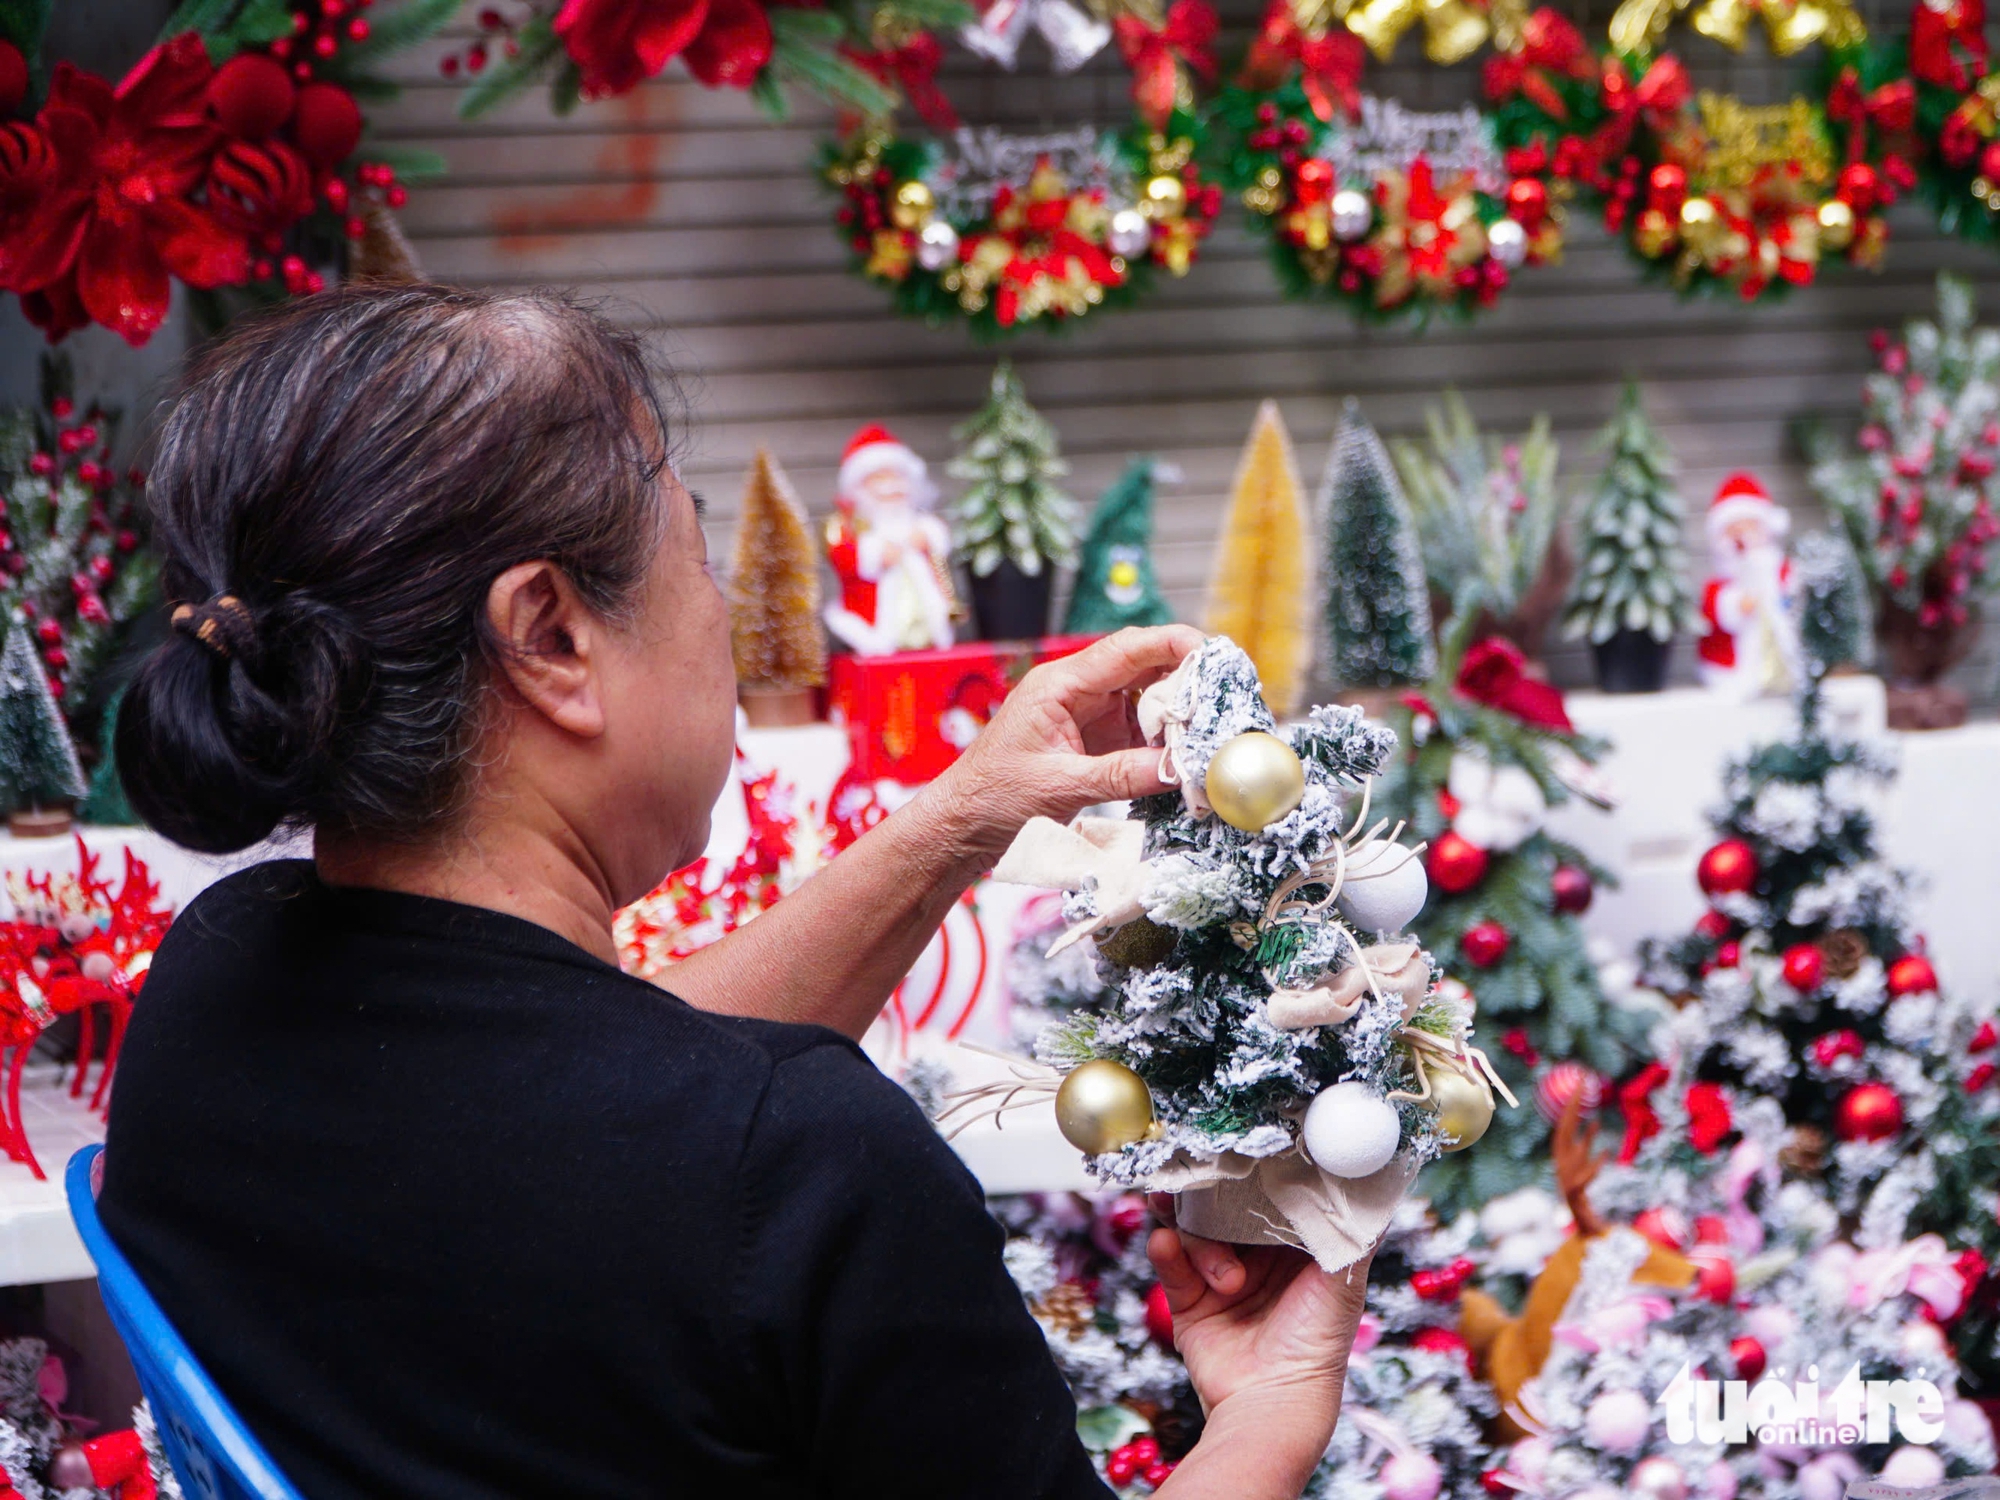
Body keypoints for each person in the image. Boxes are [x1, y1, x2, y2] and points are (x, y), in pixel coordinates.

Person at [98, 284, 1375, 1500]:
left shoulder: (213, 983)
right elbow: (690, 1128)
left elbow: (620, 1097)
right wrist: (1270, 1405)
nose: (721, 610)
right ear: (549, 635)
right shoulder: (805, 1170)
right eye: (695, 552)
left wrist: (961, 816)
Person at [822, 424, 958, 655]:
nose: (891, 486)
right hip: (873, 621)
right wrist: (873, 553)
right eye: (880, 479)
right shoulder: (851, 526)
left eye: (897, 477)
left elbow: (939, 543)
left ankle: (927, 635)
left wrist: (929, 538)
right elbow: (841, 556)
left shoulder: (920, 522)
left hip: (926, 615)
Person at [1696, 470, 1800, 699]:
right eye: (1734, 531)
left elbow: (1795, 598)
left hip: (1783, 662)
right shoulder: (1718, 586)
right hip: (1731, 672)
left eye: (1750, 528)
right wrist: (1736, 605)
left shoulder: (1781, 571)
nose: (1742, 538)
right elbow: (1714, 611)